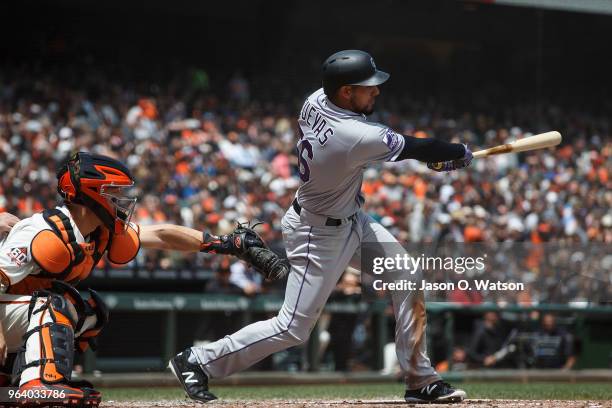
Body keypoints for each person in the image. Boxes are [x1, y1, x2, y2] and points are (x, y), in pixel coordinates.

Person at [170, 50, 472, 403]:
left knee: (406, 274)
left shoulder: (315, 100)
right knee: (292, 328)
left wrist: (431, 156)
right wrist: (456, 152)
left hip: (351, 219)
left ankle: (420, 381)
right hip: (318, 234)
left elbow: (405, 150)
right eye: (367, 87)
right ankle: (197, 360)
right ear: (345, 92)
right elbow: (418, 146)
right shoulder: (354, 134)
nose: (376, 91)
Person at [0, 152, 281, 407]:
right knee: (54, 305)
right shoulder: (40, 229)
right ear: (90, 194)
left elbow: (160, 235)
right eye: (111, 191)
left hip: (16, 312)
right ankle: (40, 384)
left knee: (89, 310)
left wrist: (223, 243)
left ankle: (15, 378)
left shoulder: (98, 231)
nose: (119, 199)